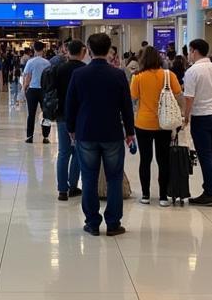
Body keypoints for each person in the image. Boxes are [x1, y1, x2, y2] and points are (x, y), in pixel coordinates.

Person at [65, 32, 135, 236]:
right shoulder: (118, 75)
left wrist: (71, 129)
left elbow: (71, 105)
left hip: (86, 132)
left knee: (88, 178)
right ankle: (113, 223)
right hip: (112, 132)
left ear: (89, 49)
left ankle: (92, 222)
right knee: (114, 178)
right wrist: (129, 132)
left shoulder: (79, 75)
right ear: (109, 49)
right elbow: (126, 106)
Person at [131, 45, 183, 205]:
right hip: (164, 123)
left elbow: (133, 97)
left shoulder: (137, 77)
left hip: (143, 123)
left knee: (145, 160)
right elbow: (179, 95)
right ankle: (162, 197)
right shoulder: (169, 75)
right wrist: (182, 116)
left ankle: (146, 195)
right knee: (163, 159)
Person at [183, 38, 212, 206]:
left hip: (202, 116)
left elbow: (189, 98)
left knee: (205, 155)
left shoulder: (193, 71)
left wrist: (186, 117)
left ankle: (209, 192)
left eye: (189, 51)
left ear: (194, 51)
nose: (188, 55)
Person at [52, 40, 86, 201]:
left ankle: (62, 190)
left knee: (63, 152)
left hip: (62, 115)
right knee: (78, 152)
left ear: (67, 51)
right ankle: (73, 185)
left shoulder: (59, 69)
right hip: (81, 116)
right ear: (82, 52)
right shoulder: (85, 70)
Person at [21, 40, 51, 144]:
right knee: (46, 114)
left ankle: (30, 136)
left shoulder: (31, 62)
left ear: (34, 49)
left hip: (32, 90)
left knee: (31, 114)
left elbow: (27, 76)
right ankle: (46, 136)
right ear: (43, 49)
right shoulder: (47, 62)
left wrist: (24, 88)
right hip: (44, 90)